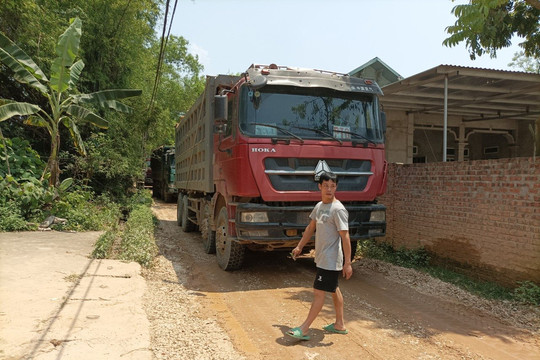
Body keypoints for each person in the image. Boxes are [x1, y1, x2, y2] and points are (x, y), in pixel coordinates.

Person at [286, 171, 353, 341]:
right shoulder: (319, 206)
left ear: (336, 187)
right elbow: (310, 228)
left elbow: (345, 236)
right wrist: (299, 246)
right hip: (322, 258)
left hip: (331, 260)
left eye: (332, 186)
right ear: (320, 187)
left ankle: (304, 328)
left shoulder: (338, 210)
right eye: (326, 186)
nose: (329, 189)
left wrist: (348, 263)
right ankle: (339, 324)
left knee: (319, 292)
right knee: (333, 289)